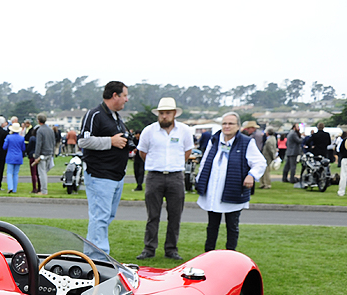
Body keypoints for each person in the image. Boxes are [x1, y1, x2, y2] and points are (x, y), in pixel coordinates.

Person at [195, 112, 266, 252]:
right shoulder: (214, 140)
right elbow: (205, 161)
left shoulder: (246, 142)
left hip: (233, 190)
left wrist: (251, 175)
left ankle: (231, 255)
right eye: (224, 123)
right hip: (213, 190)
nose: (227, 126)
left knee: (232, 226)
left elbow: (260, 163)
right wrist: (199, 180)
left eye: (231, 124)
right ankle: (209, 254)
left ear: (238, 126)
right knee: (212, 226)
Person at [135, 97, 193, 260]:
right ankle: (149, 248)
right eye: (161, 113)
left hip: (176, 176)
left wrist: (175, 164)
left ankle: (171, 249)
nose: (164, 116)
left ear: (174, 114)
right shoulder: (149, 131)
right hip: (155, 176)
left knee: (175, 215)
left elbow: (187, 152)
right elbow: (142, 152)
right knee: (153, 214)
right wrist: (156, 164)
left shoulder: (184, 131)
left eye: (167, 113)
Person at [79, 80, 131, 254]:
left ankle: (91, 255)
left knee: (106, 217)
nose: (127, 100)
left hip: (116, 175)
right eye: (124, 95)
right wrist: (111, 141)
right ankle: (99, 259)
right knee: (99, 218)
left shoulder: (117, 117)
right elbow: (83, 140)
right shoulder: (95, 114)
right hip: (99, 175)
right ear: (114, 95)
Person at [31, 113, 55, 195]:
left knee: (42, 173)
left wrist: (36, 156)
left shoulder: (40, 130)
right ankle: (43, 189)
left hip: (42, 154)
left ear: (38, 120)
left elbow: (39, 144)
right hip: (49, 153)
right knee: (45, 172)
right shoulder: (50, 130)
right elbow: (53, 142)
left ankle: (44, 190)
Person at [2, 122, 25, 193]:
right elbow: (23, 148)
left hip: (10, 156)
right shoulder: (21, 138)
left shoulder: (8, 137)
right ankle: (14, 189)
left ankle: (10, 187)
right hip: (18, 156)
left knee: (9, 172)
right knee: (16, 173)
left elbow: (4, 147)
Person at [338, 133, 347, 197]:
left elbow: (340, 150)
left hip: (345, 159)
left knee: (344, 176)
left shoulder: (344, 140)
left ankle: (341, 191)